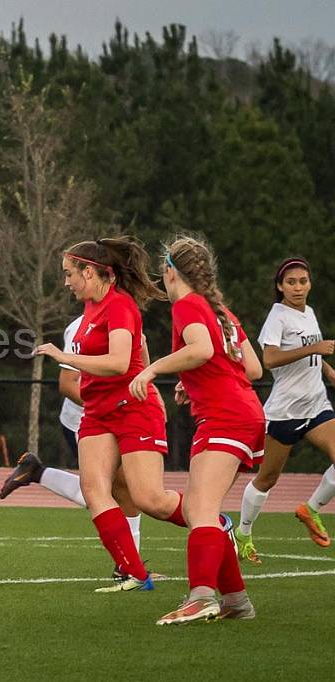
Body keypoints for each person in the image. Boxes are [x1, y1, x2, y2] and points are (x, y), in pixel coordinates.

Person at [35, 236, 186, 593]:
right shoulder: (91, 307)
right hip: (98, 413)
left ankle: (215, 522)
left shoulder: (119, 306)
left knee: (149, 499)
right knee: (94, 490)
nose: (66, 281)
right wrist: (147, 372)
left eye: (70, 273)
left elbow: (120, 362)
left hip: (131, 409)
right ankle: (135, 573)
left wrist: (65, 357)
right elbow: (142, 345)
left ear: (90, 272)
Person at [129, 236, 262, 624]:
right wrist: (195, 380)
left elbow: (201, 349)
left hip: (225, 416)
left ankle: (201, 595)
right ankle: (236, 601)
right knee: (199, 508)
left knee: (201, 509)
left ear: (170, 270)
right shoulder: (219, 309)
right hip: (243, 413)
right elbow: (251, 368)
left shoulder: (188, 304)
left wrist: (153, 368)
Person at [2, 315, 145, 579]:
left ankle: (130, 565)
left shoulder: (123, 315)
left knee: (122, 488)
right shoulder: (82, 326)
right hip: (85, 421)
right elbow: (68, 385)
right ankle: (129, 566)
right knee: (111, 490)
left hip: (113, 419)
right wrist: (112, 405)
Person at [234, 257, 335, 562]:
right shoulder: (278, 316)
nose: (298, 287)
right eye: (290, 282)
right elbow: (270, 359)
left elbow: (309, 353)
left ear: (310, 284)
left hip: (316, 404)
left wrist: (326, 369)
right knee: (267, 479)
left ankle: (311, 508)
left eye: (303, 281)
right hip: (286, 411)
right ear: (280, 286)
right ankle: (243, 533)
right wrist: (314, 350)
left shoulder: (310, 312)